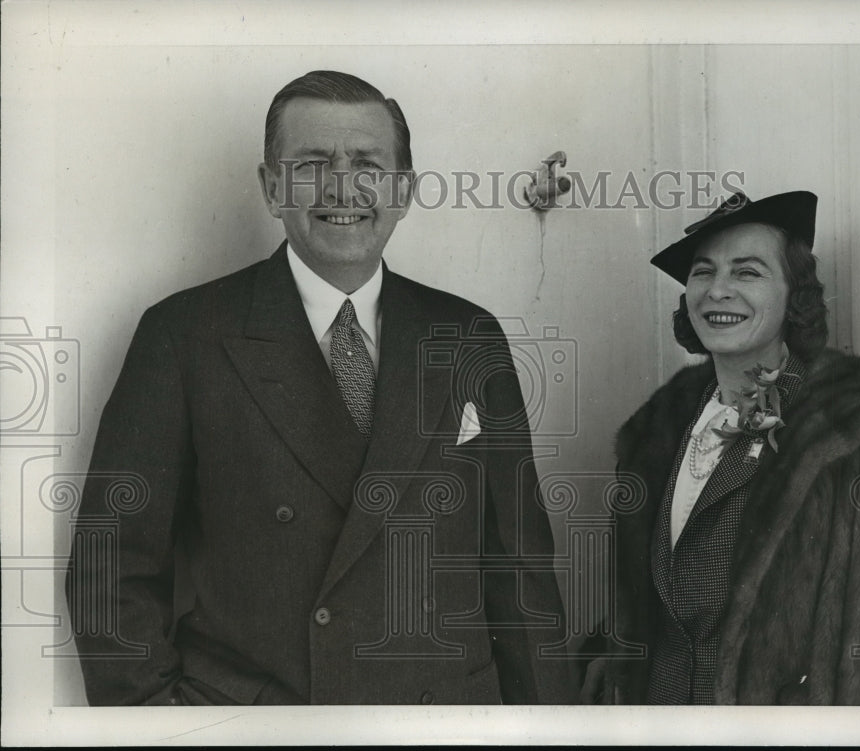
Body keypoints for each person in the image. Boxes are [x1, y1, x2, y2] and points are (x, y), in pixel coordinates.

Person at [66, 70, 572, 706]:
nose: (343, 187)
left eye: (367, 162)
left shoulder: (468, 334)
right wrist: (154, 724)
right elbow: (111, 566)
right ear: (271, 187)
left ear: (403, 189)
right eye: (311, 163)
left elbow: (518, 570)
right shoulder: (185, 334)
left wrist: (549, 727)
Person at [580, 190, 860, 704]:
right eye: (704, 272)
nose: (718, 291)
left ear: (794, 298)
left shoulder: (855, 435)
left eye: (748, 273)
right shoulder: (660, 428)